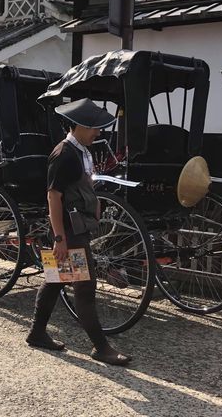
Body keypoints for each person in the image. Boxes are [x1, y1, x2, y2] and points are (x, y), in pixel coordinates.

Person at [26, 98, 131, 367]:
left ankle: (37, 333)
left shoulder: (81, 150)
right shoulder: (65, 154)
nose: (98, 133)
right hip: (69, 232)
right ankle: (101, 347)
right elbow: (53, 197)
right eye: (94, 128)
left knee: (55, 280)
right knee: (85, 287)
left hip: (77, 228)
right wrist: (59, 238)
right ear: (80, 126)